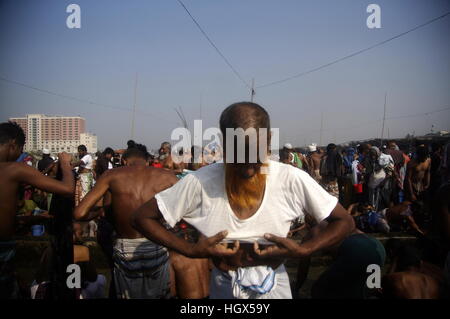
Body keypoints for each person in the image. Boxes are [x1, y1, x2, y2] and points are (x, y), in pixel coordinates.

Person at [132, 102, 354, 299]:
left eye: (255, 159)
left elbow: (344, 222)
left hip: (275, 286)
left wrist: (304, 250)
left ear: (268, 141)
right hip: (223, 286)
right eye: (238, 159)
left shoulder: (291, 178)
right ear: (224, 145)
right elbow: (143, 217)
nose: (248, 170)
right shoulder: (200, 181)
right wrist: (189, 249)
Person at [73, 147, 178, 299]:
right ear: (148, 161)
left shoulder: (111, 176)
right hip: (156, 244)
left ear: (123, 161)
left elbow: (79, 213)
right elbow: (191, 209)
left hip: (126, 249)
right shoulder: (167, 176)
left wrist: (102, 210)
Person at [0, 121, 74, 299]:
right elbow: (67, 188)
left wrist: (31, 220)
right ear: (13, 145)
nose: (20, 154)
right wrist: (65, 164)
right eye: (20, 149)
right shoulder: (14, 169)